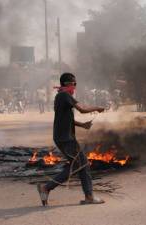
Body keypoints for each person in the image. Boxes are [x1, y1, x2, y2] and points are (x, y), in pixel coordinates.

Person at [37, 72, 106, 206]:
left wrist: (82, 125)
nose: (75, 86)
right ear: (68, 84)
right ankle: (47, 187)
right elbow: (82, 109)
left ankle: (88, 196)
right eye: (74, 84)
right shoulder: (64, 95)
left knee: (80, 164)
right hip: (65, 138)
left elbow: (66, 119)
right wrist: (97, 108)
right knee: (81, 164)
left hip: (63, 137)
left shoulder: (60, 96)